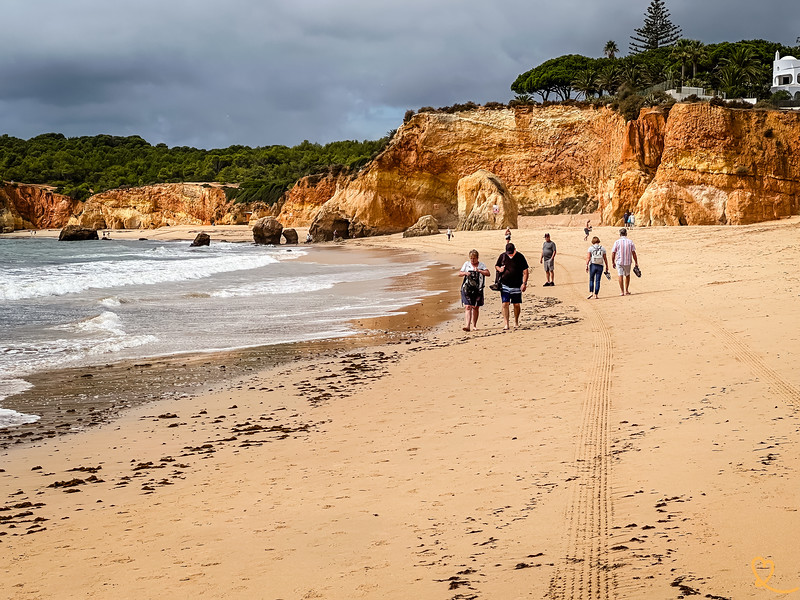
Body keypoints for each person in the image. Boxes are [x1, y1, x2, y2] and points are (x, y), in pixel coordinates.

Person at [495, 242, 529, 330]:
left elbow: (525, 271)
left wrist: (524, 283)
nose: (510, 255)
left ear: (515, 250)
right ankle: (506, 323)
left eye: (511, 253)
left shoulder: (520, 257)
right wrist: (500, 269)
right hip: (504, 284)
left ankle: (516, 321)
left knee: (516, 304)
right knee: (505, 304)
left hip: (517, 285)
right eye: (508, 253)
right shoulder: (503, 256)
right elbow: (496, 266)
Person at [459, 249, 491, 332]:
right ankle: (467, 325)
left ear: (477, 258)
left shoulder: (481, 265)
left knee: (476, 307)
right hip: (467, 288)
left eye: (474, 258)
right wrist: (465, 273)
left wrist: (479, 271)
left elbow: (488, 273)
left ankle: (474, 325)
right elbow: (460, 273)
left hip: (478, 289)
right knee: (468, 306)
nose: (472, 260)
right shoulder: (466, 264)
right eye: (471, 258)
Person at [611, 228, 639, 296]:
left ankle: (622, 291)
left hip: (619, 261)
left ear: (620, 234)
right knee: (627, 275)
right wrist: (636, 262)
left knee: (620, 275)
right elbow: (633, 253)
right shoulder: (630, 242)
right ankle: (626, 290)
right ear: (626, 234)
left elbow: (613, 252)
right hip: (627, 261)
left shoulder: (617, 242)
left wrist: (613, 262)